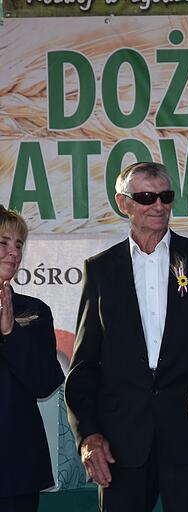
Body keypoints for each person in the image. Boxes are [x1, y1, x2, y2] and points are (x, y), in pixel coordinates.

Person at [64, 162, 188, 512]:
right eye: (146, 196)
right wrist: (89, 436)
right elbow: (85, 364)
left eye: (165, 196)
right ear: (124, 204)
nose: (158, 205)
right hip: (121, 446)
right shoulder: (101, 270)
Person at [0, 205, 65, 512]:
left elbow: (46, 382)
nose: (13, 252)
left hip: (17, 469)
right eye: (4, 243)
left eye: (19, 245)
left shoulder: (35, 309)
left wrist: (12, 331)